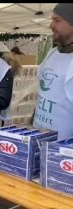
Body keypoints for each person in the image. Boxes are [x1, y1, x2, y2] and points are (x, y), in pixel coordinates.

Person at [32, 3, 73, 140]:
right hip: (39, 139)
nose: (51, 26)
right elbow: (42, 94)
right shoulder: (52, 53)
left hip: (62, 152)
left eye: (57, 20)